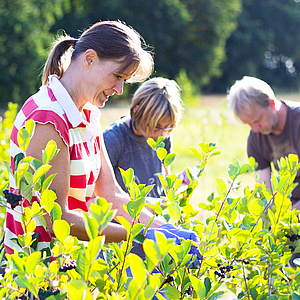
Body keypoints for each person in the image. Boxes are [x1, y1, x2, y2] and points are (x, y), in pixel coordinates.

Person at [4, 21, 199, 256]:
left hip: (73, 263)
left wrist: (166, 229)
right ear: (89, 59)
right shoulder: (48, 119)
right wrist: (139, 233)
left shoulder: (87, 114)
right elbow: (56, 218)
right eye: (117, 76)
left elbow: (111, 194)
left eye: (124, 80)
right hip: (39, 271)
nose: (119, 89)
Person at [103, 77, 184, 201]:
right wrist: (149, 204)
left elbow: (163, 188)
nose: (161, 134)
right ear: (137, 111)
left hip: (154, 220)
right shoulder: (113, 139)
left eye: (168, 127)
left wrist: (179, 180)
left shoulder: (163, 136)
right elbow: (102, 196)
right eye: (156, 127)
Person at [227, 76, 300, 209]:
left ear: (272, 104)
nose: (254, 129)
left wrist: (285, 219)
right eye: (248, 124)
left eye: (257, 120)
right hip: (290, 203)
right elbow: (266, 193)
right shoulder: (256, 139)